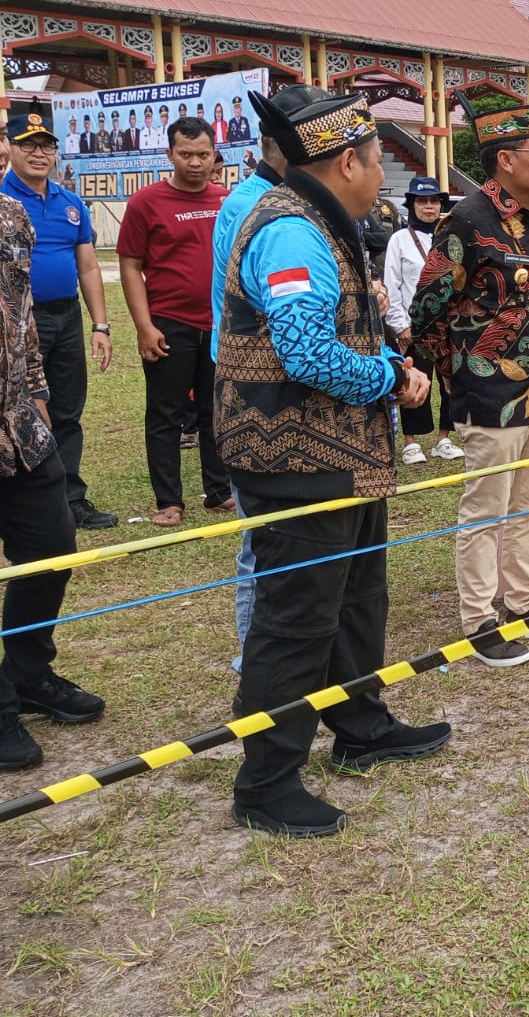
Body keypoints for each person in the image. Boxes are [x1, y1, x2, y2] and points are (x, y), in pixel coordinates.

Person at [215, 86, 449, 837]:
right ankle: (266, 780)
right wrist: (391, 377)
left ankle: (361, 727)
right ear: (348, 161)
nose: (384, 177)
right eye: (381, 162)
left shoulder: (323, 217)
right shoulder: (289, 229)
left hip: (346, 453)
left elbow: (338, 330)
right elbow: (307, 351)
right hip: (292, 457)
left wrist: (383, 357)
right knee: (296, 618)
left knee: (356, 600)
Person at [409, 88, 529, 664]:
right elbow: (427, 308)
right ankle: (478, 618)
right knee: (487, 508)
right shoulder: (467, 219)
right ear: (506, 159)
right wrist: (458, 372)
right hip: (489, 391)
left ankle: (525, 602)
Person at [0, 179, 106, 771]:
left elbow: (23, 318)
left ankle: (27, 670)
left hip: (19, 423)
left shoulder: (12, 215)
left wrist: (37, 395)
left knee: (52, 546)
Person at [208, 92, 294, 674]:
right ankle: (254, 665)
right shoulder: (256, 207)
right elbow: (290, 320)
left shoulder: (273, 200)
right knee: (260, 540)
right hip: (256, 386)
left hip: (274, 380)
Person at [0, 105, 116, 529]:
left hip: (64, 318)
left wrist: (100, 324)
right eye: (28, 145)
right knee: (20, 410)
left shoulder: (71, 204)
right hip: (16, 324)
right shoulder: (3, 202)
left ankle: (71, 499)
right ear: (10, 148)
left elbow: (87, 267)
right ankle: (27, 503)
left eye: (46, 145)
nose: (38, 153)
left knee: (66, 410)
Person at [116, 116, 230, 525]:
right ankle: (169, 501)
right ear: (169, 154)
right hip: (169, 322)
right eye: (185, 154)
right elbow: (130, 265)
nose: (195, 163)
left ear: (215, 154)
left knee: (216, 410)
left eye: (203, 154)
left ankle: (218, 492)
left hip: (218, 325)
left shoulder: (224, 199)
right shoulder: (147, 202)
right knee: (165, 414)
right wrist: (144, 326)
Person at [383, 176, 462, 466]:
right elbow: (392, 284)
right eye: (421, 201)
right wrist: (400, 324)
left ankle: (445, 437)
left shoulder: (449, 235)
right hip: (414, 324)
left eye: (433, 201)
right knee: (415, 379)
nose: (428, 207)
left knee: (451, 382)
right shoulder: (399, 240)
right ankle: (411, 441)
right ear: (411, 204)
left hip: (450, 323)